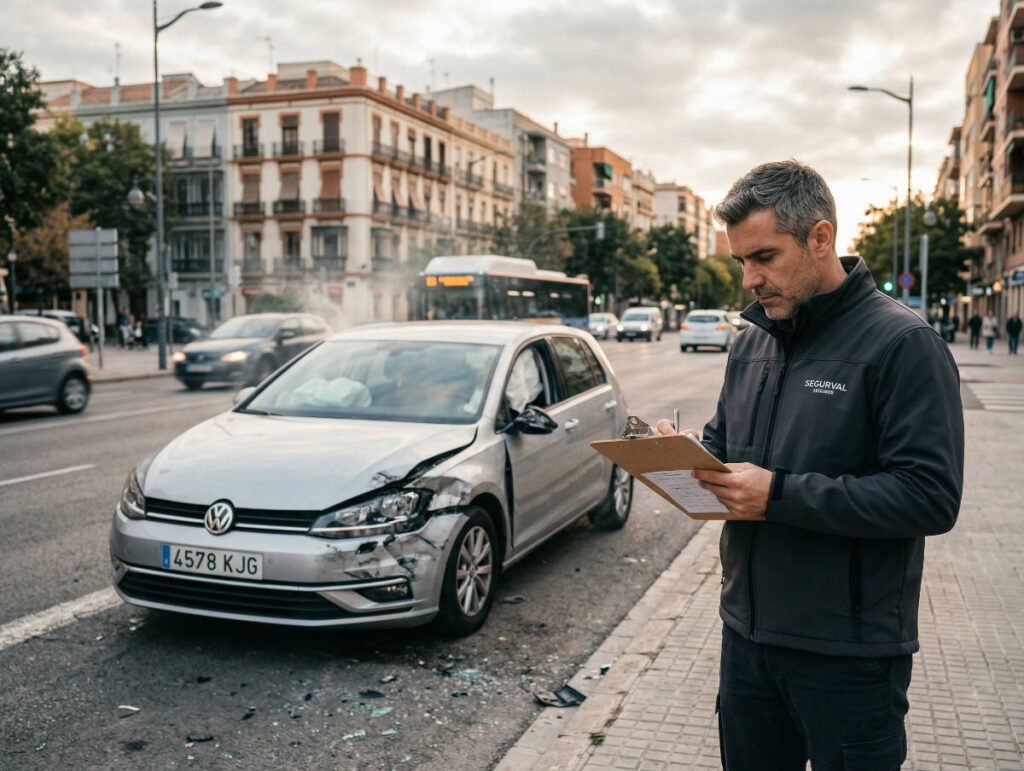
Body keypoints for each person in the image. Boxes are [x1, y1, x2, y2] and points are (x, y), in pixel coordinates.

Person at [653, 160, 964, 770]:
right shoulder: (753, 339)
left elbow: (930, 496)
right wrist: (683, 458)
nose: (750, 278)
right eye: (741, 261)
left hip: (848, 655)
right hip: (747, 635)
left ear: (821, 238)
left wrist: (778, 496)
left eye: (764, 257)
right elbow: (726, 447)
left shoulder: (903, 344)